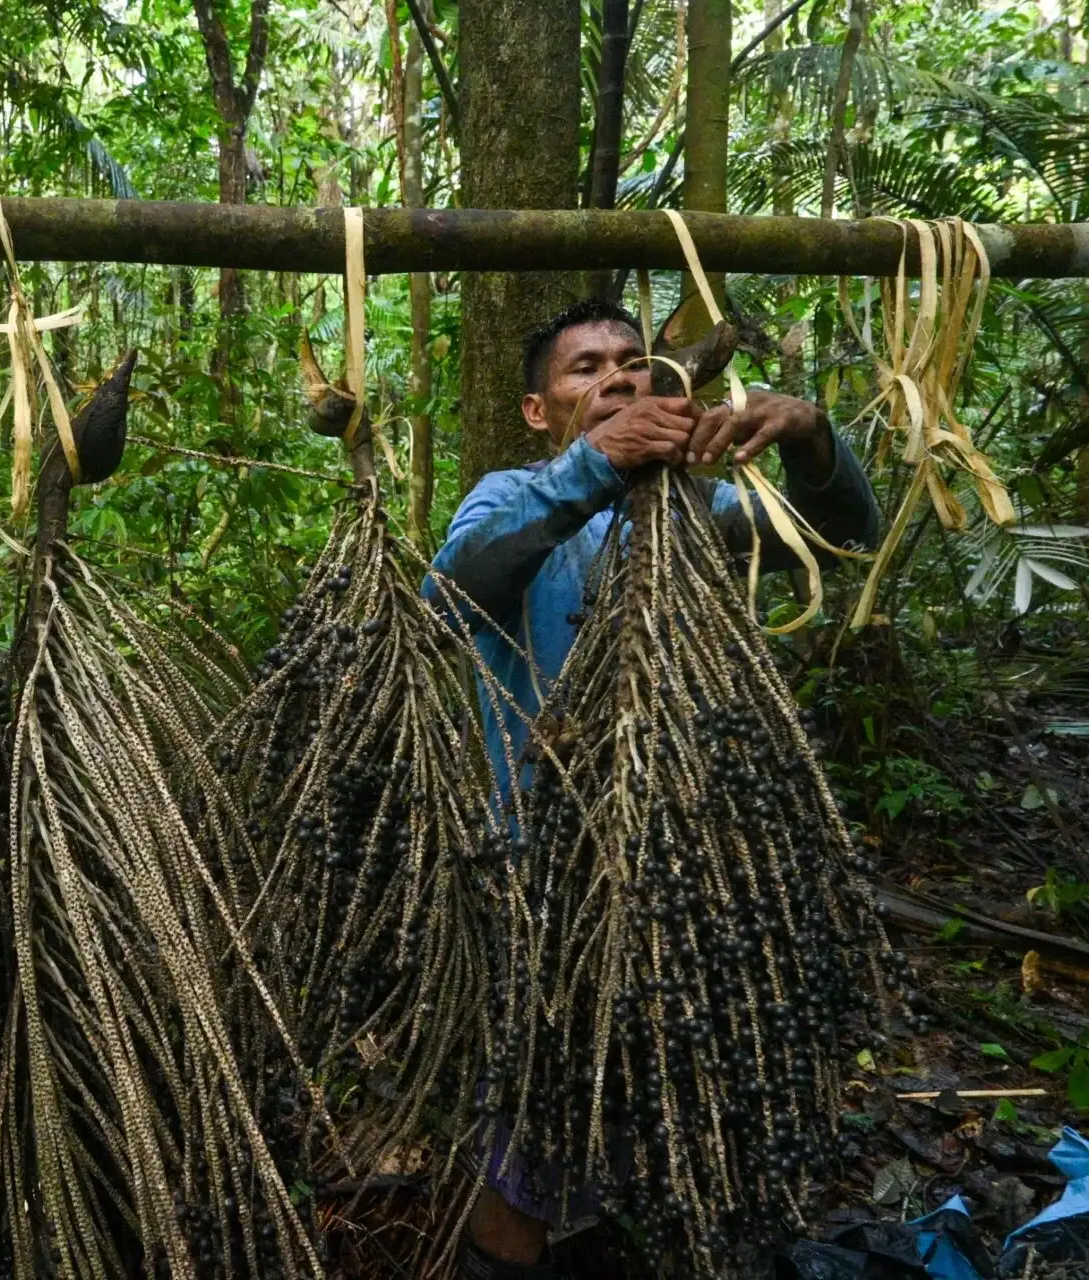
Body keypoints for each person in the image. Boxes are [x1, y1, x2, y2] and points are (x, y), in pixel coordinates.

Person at [422, 298, 883, 1279]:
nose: (620, 377)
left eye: (633, 361)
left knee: (684, 1095)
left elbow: (847, 533)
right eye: (585, 368)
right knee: (534, 1119)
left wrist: (810, 434)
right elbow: (451, 593)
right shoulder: (514, 492)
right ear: (539, 410)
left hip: (691, 867)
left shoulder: (700, 509)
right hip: (545, 872)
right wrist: (595, 467)